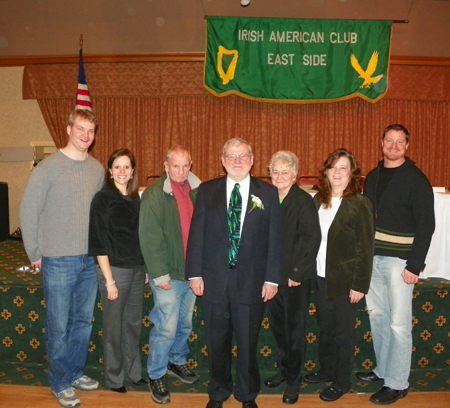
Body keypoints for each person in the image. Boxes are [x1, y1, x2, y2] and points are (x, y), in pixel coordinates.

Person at [186, 138, 284, 408]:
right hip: (214, 281)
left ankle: (247, 394)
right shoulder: (207, 191)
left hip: (252, 282)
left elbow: (275, 240)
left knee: (247, 343)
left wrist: (272, 278)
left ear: (252, 160)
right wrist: (194, 273)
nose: (237, 160)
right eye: (231, 156)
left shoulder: (268, 193)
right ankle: (218, 391)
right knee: (216, 343)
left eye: (242, 156)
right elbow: (197, 235)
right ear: (223, 159)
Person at [20, 109, 104, 408]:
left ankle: (74, 372)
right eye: (80, 128)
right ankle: (59, 382)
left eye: (90, 131)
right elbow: (28, 210)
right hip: (57, 260)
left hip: (87, 260)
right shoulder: (48, 167)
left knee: (82, 322)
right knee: (59, 325)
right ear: (69, 129)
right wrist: (34, 252)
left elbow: (97, 216)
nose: (85, 135)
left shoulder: (96, 170)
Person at [356, 124, 435, 405]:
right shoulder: (374, 176)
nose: (393, 146)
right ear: (381, 143)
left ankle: (398, 383)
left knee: (399, 324)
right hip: (373, 259)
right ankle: (384, 370)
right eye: (389, 140)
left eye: (399, 142)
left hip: (400, 262)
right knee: (378, 318)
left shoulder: (416, 179)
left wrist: (415, 265)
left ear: (407, 146)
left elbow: (426, 225)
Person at [303, 148, 374, 402]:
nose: (337, 172)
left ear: (352, 173)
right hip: (320, 278)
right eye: (333, 167)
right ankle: (326, 369)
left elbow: (366, 248)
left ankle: (341, 381)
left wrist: (360, 285)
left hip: (346, 282)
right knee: (326, 328)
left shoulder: (359, 203)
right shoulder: (318, 199)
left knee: (342, 333)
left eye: (343, 167)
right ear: (326, 171)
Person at [139, 145, 201, 404]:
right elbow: (149, 237)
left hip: (192, 272)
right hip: (168, 274)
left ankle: (177, 361)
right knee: (166, 327)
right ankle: (156, 373)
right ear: (166, 166)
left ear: (191, 165)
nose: (180, 171)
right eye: (175, 165)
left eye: (185, 165)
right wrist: (160, 275)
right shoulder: (154, 194)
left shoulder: (198, 190)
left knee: (184, 323)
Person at [264, 151, 321, 405]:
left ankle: (294, 381)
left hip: (295, 279)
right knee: (278, 328)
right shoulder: (266, 198)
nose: (279, 176)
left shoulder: (303, 201)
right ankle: (285, 370)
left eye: (285, 172)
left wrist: (297, 272)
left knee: (295, 332)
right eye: (275, 171)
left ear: (295, 175)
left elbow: (312, 239)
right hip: (272, 278)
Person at [88, 149, 146, 393]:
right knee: (114, 326)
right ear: (110, 171)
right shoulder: (103, 198)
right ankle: (114, 378)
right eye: (117, 167)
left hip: (136, 269)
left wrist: (143, 269)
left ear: (133, 170)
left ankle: (133, 373)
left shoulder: (135, 198)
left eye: (127, 167)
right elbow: (98, 241)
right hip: (114, 271)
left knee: (132, 324)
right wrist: (109, 280)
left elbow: (139, 236)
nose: (122, 171)